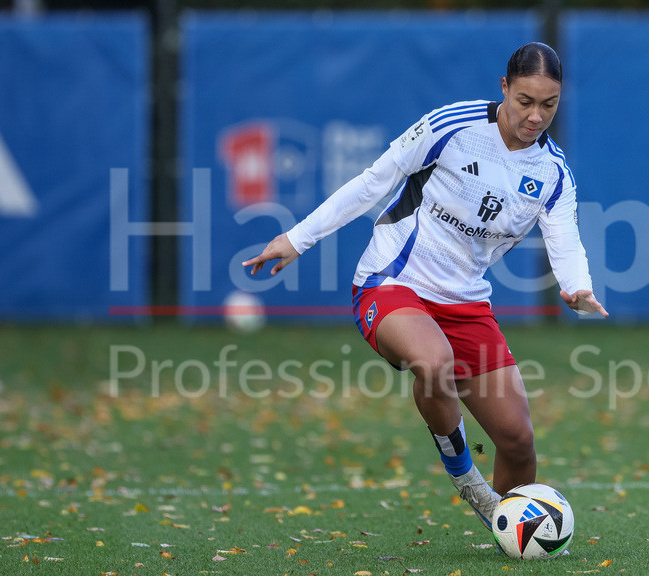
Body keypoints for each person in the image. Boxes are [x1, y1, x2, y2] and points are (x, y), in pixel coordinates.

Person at [243, 42, 608, 530]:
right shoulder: (451, 127)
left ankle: (512, 534)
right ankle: (468, 480)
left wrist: (578, 287)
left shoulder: (553, 173)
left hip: (466, 303)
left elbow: (566, 241)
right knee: (434, 364)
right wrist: (297, 238)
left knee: (518, 441)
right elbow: (373, 182)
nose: (536, 116)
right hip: (393, 282)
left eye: (549, 104)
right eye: (525, 101)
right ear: (504, 87)